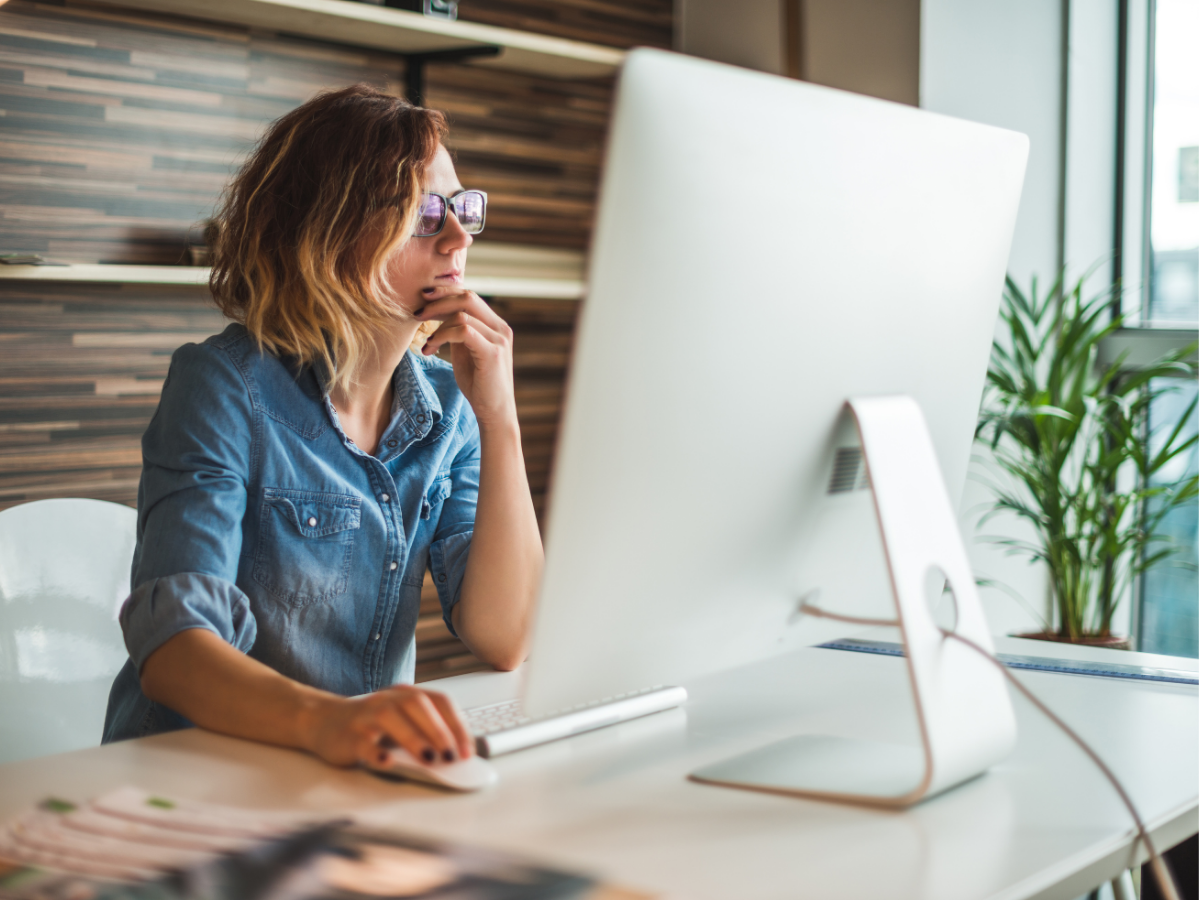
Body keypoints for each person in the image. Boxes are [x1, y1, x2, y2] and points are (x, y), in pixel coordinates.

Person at [102, 84, 543, 771]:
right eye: (426, 213)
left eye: (463, 209)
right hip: (195, 777)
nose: (459, 236)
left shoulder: (451, 407)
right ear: (329, 230)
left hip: (348, 770)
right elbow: (174, 650)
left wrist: (500, 418)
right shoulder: (222, 386)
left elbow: (506, 636)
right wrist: (332, 723)